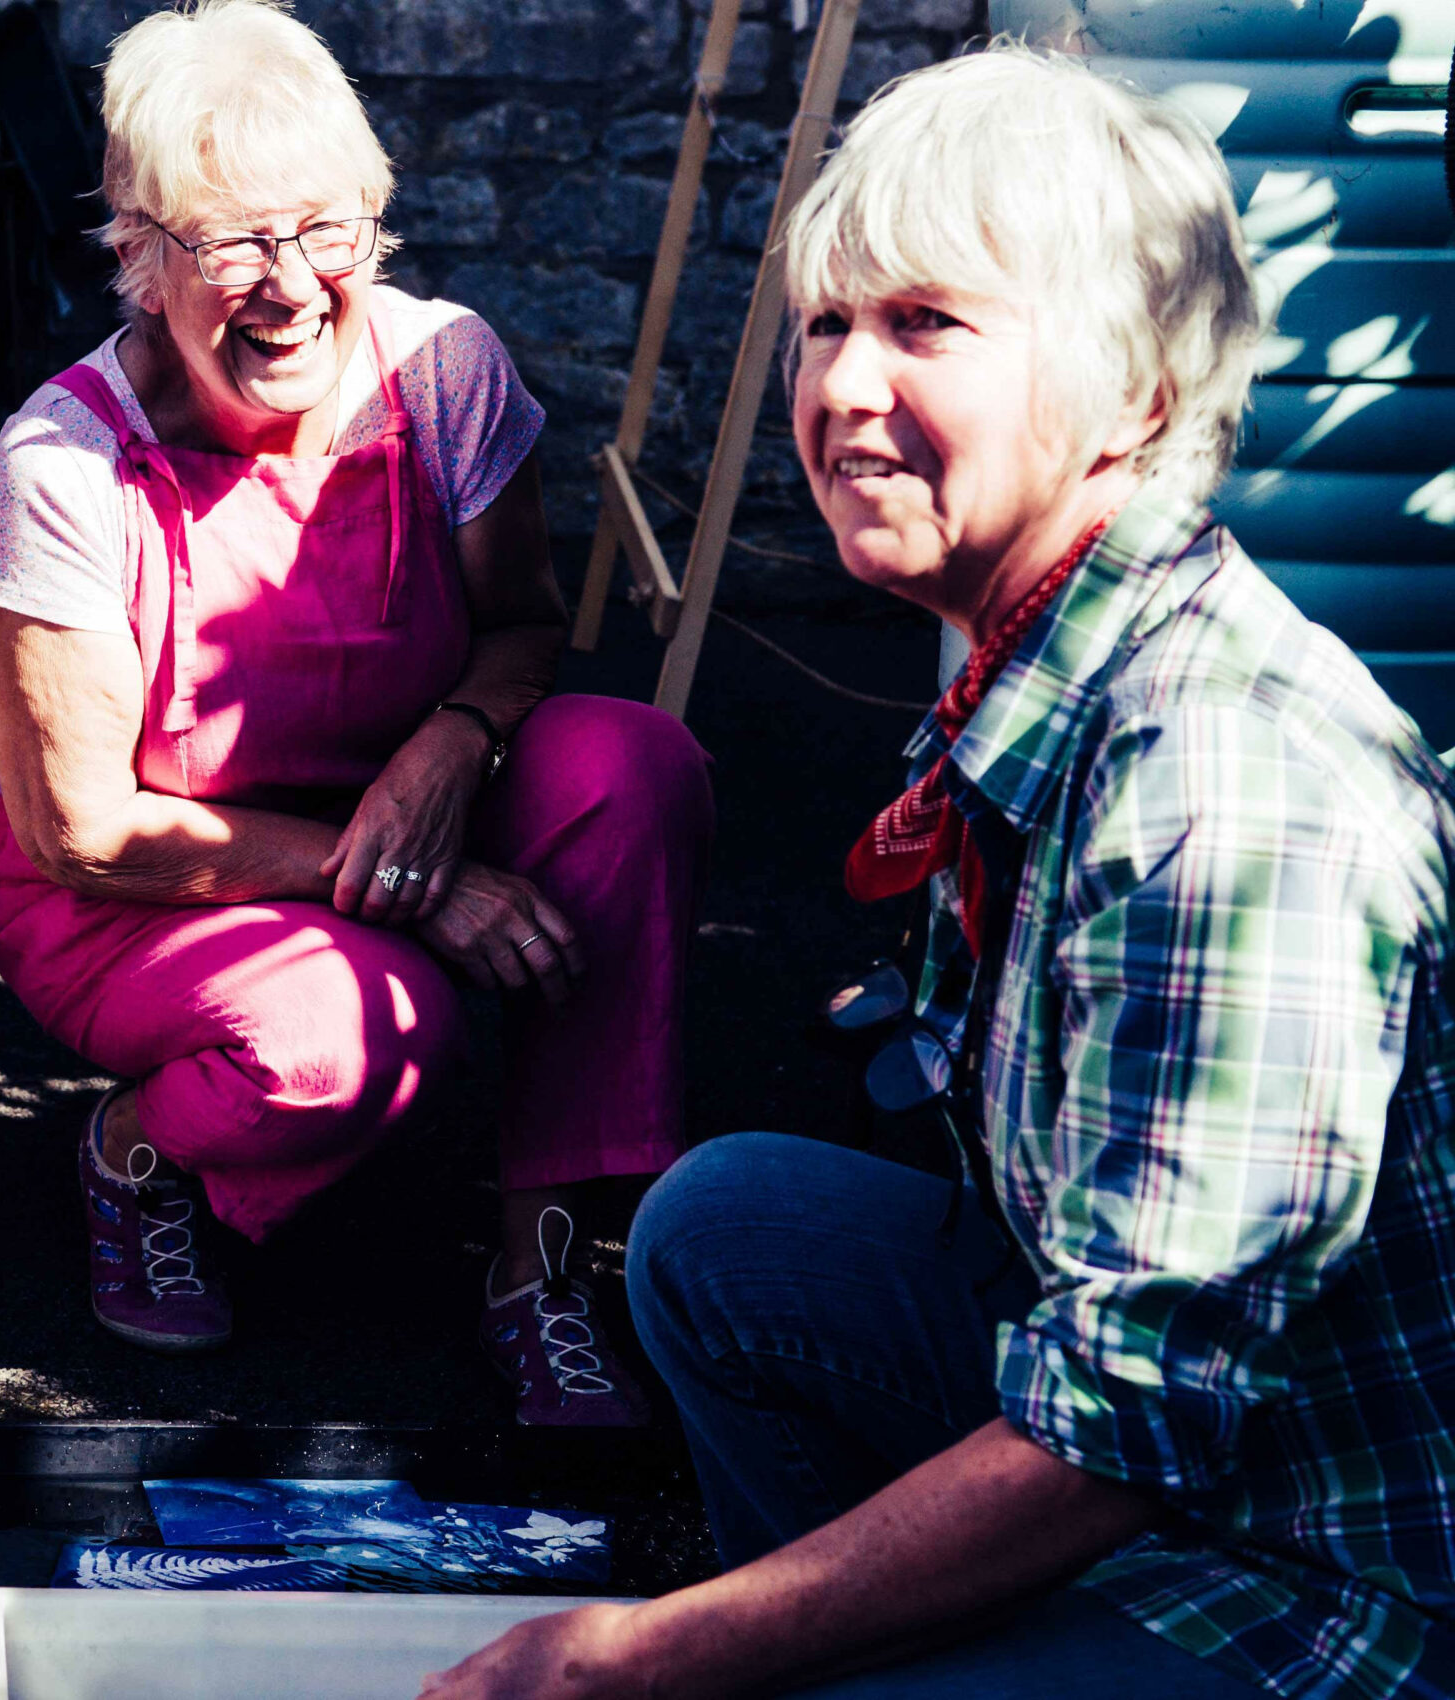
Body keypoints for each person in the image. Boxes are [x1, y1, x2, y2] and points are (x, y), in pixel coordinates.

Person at [425, 47, 1454, 1699]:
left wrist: (637, 1659)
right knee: (723, 1231)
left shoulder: (1216, 783)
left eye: (929, 326)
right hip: (1193, 1447)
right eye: (829, 323)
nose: (837, 386)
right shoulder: (1036, 668)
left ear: (1138, 393)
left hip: (1321, 1578)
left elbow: (1136, 1427)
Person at [0, 0, 714, 1425]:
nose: (289, 285)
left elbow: (528, 626)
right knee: (349, 1036)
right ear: (139, 256)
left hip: (401, 812)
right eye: (231, 241)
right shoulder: (65, 456)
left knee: (631, 766)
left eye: (325, 230)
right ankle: (135, 1152)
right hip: (136, 895)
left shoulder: (447, 370)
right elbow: (82, 829)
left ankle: (544, 1261)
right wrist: (410, 879)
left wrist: (453, 742)